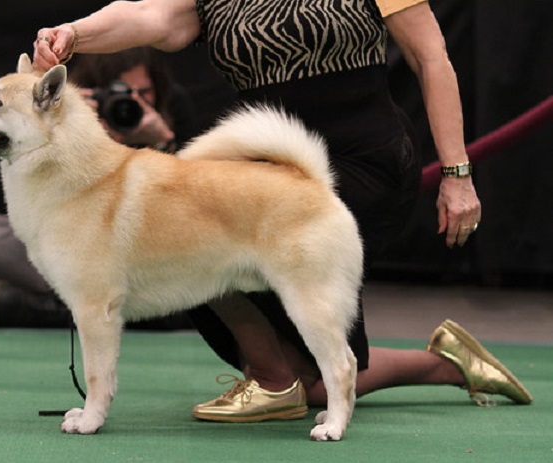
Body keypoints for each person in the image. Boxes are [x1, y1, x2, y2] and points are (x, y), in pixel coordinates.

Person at [32, 0, 533, 421]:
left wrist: (457, 173)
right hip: (264, 165)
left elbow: (431, 58)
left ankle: (431, 366)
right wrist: (74, 33)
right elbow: (149, 16)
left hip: (361, 161)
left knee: (318, 372)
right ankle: (276, 381)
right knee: (187, 243)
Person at [0, 46, 197, 329]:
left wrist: (162, 141)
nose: (131, 102)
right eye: (117, 94)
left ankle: (67, 309)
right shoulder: (63, 114)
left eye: (142, 94)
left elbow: (195, 196)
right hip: (65, 243)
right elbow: (19, 214)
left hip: (142, 251)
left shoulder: (174, 108)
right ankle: (120, 310)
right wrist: (77, 133)